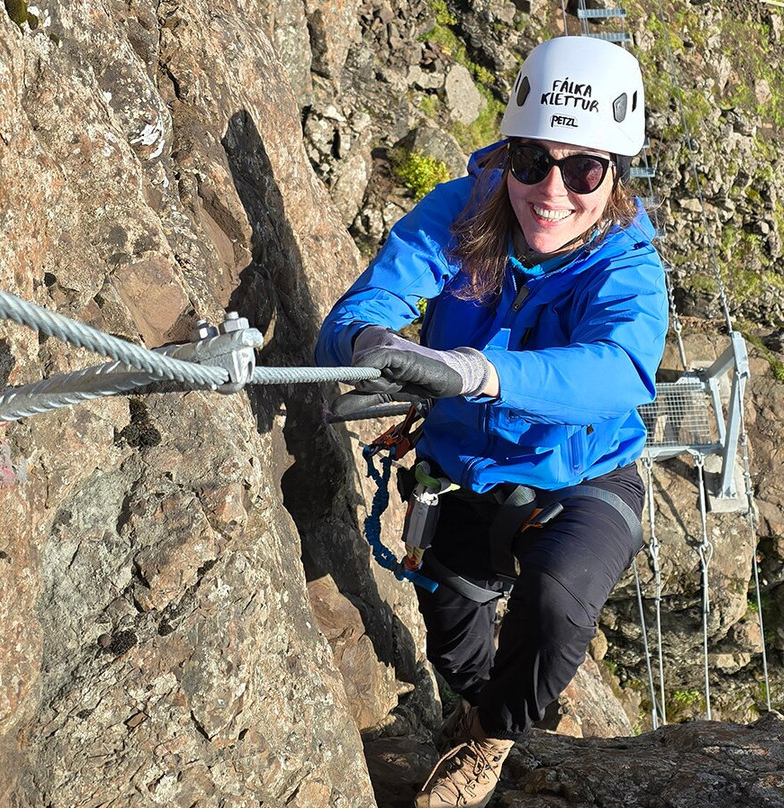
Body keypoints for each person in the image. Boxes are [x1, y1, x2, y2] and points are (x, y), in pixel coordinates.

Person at [315, 35, 667, 808]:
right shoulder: (461, 211)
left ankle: (493, 740)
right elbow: (356, 315)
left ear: (616, 178)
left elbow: (620, 369)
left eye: (583, 170)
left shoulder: (627, 267)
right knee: (454, 630)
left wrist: (479, 371)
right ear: (506, 154)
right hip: (463, 466)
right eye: (534, 162)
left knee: (556, 605)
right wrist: (374, 343)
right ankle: (489, 706)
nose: (553, 191)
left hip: (583, 470)